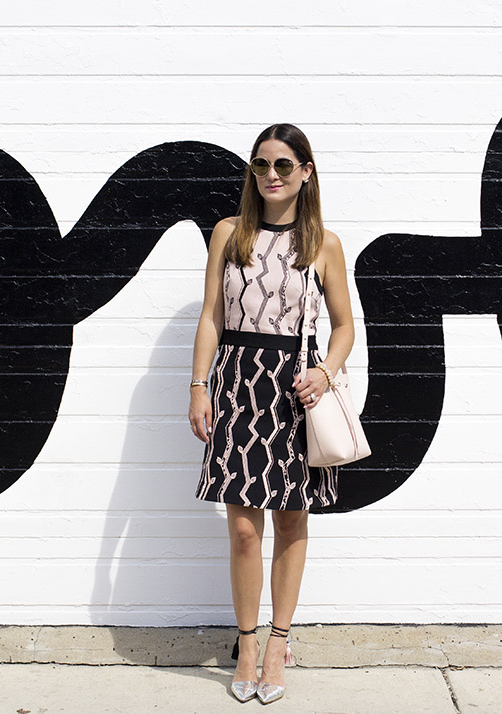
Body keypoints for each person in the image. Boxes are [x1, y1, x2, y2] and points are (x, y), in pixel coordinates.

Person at [189, 124, 355, 704]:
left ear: (306, 173)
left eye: (284, 165)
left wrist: (325, 372)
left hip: (294, 391)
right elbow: (211, 316)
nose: (272, 175)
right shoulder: (229, 233)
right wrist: (198, 386)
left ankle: (280, 642)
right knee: (241, 530)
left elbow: (344, 327)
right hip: (237, 387)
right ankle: (248, 642)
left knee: (290, 522)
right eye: (261, 165)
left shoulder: (323, 244)